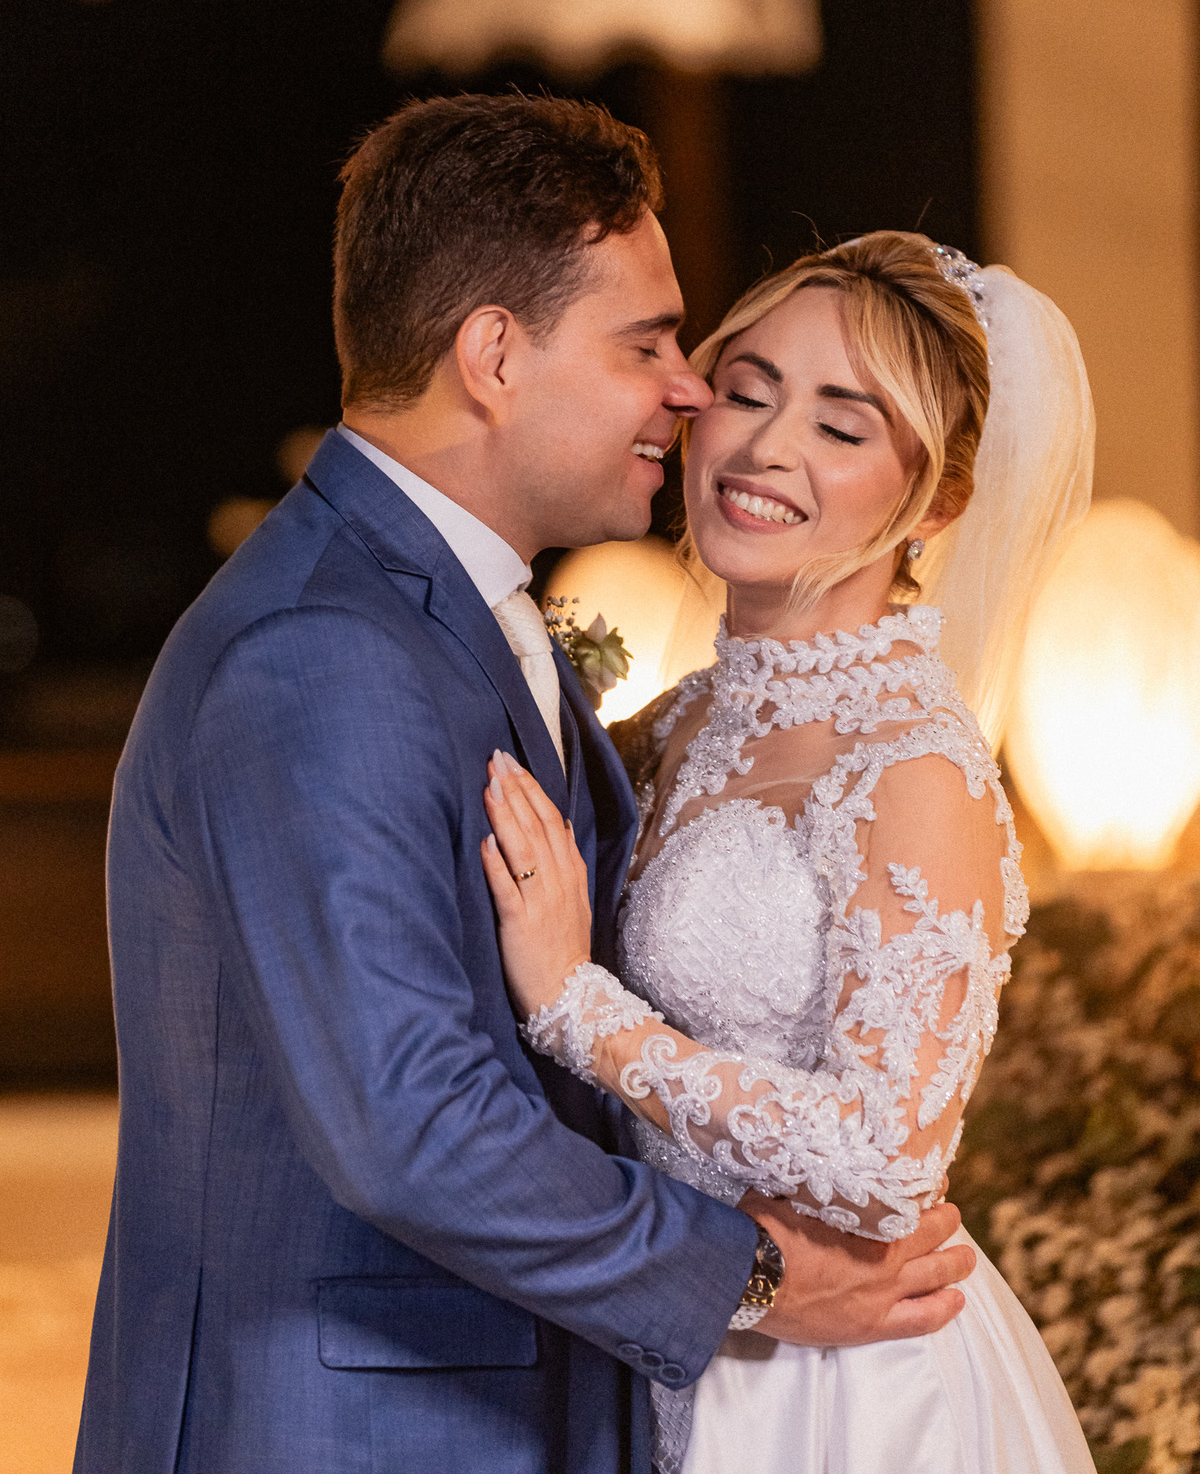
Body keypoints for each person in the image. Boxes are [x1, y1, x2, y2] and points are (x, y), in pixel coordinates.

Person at [75, 102, 974, 1474]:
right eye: (648, 344)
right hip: (356, 1431)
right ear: (494, 355)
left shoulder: (456, 621)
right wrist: (753, 1276)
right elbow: (411, 1122)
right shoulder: (321, 654)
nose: (690, 389)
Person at [479, 229, 1099, 1474]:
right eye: (749, 393)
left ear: (937, 502)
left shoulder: (912, 763)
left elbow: (885, 1158)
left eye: (842, 425)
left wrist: (575, 1008)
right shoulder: (686, 716)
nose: (766, 449)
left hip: (842, 1386)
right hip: (681, 1328)